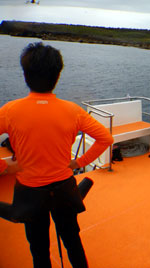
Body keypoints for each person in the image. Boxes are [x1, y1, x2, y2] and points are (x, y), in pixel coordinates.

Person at [0, 42, 114, 268]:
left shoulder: (10, 111)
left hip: (30, 193)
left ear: (25, 75)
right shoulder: (73, 111)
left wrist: (5, 168)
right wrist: (78, 163)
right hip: (64, 188)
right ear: (57, 75)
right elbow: (106, 139)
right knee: (72, 240)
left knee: (39, 249)